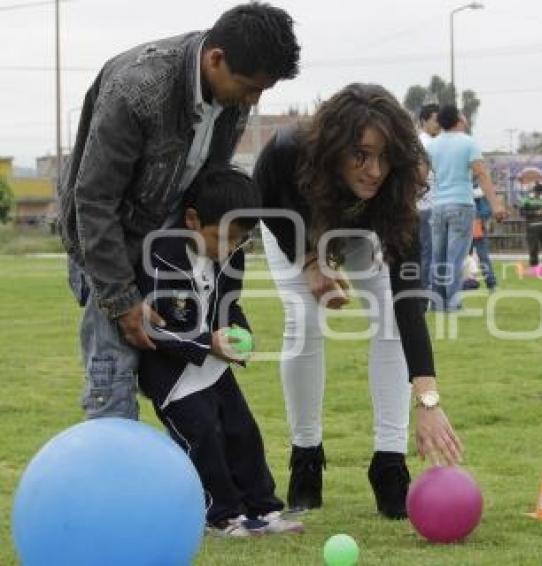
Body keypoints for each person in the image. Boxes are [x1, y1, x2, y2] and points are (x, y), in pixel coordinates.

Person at [56, 3, 300, 420]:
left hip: (170, 244)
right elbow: (94, 201)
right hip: (108, 246)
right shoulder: (136, 90)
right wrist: (121, 300)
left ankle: (207, 484)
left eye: (264, 90)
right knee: (113, 378)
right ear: (216, 59)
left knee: (188, 379)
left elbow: (209, 186)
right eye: (250, 87)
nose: (254, 100)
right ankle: (112, 479)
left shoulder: (233, 96)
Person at [254, 84, 463, 520]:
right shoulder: (287, 151)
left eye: (384, 158)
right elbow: (267, 202)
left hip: (361, 233)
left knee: (388, 318)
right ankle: (305, 456)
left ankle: (389, 463)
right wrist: (309, 259)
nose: (374, 170)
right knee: (304, 319)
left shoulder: (398, 189)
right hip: (296, 225)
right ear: (332, 148)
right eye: (361, 155)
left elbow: (410, 301)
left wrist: (428, 399)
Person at [136, 167, 304, 537]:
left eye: (241, 240)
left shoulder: (232, 255)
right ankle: (221, 515)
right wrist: (205, 342)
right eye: (225, 238)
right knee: (204, 436)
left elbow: (228, 305)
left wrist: (239, 332)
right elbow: (151, 329)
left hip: (213, 366)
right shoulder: (160, 258)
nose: (231, 247)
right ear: (193, 220)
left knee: (243, 431)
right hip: (172, 376)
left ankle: (263, 508)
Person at [427, 105, 507, 312]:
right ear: (458, 119)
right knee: (456, 257)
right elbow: (482, 174)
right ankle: (453, 303)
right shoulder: (468, 143)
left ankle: (436, 302)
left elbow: (421, 175)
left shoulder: (432, 145)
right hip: (461, 203)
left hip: (437, 205)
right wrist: (496, 204)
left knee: (438, 256)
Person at [417, 103, 440, 291]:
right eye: (435, 120)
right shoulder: (430, 144)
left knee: (419, 252)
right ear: (424, 121)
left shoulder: (416, 141)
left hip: (419, 205)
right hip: (428, 204)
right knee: (429, 252)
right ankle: (426, 291)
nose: (438, 124)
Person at [519, 181, 542, 267]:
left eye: (541, 193)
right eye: (538, 192)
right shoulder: (526, 199)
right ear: (534, 191)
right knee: (533, 246)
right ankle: (534, 265)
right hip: (532, 226)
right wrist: (536, 212)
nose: (539, 194)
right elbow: (522, 213)